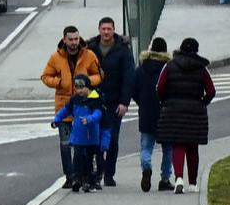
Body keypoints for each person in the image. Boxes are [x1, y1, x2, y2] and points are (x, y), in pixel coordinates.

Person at [41, 26, 102, 189]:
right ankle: (70, 177)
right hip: (65, 104)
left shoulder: (89, 55)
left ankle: (83, 175)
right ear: (64, 40)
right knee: (65, 144)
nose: (74, 42)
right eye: (71, 39)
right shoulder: (56, 57)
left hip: (84, 106)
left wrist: (87, 82)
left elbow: (100, 74)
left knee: (83, 145)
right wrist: (59, 82)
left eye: (76, 39)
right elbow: (45, 76)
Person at [156, 37, 215, 194]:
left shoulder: (170, 66)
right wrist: (202, 103)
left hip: (173, 109)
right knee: (192, 146)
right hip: (195, 110)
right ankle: (193, 183)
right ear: (196, 50)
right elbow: (211, 91)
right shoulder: (201, 68)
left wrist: (166, 101)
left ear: (181, 49)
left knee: (178, 145)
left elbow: (160, 87)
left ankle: (178, 178)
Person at [86, 16, 136, 188]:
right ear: (99, 30)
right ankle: (98, 172)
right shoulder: (91, 48)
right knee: (96, 137)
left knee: (113, 138)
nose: (106, 32)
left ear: (114, 30)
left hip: (115, 101)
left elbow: (128, 77)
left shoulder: (123, 50)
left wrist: (124, 102)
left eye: (109, 29)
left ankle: (109, 173)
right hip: (95, 100)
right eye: (104, 29)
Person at [52, 75, 109, 193]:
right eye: (77, 88)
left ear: (88, 87)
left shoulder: (95, 100)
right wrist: (57, 119)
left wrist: (89, 119)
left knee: (89, 160)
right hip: (78, 136)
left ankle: (89, 181)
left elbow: (98, 114)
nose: (79, 91)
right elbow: (65, 110)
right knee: (77, 158)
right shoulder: (75, 100)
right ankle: (76, 179)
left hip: (91, 137)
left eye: (82, 88)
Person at [133, 37, 175, 192]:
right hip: (166, 112)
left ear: (150, 50)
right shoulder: (169, 69)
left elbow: (133, 90)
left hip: (146, 112)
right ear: (165, 51)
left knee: (146, 146)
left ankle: (146, 168)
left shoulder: (141, 70)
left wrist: (142, 102)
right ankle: (165, 179)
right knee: (168, 148)